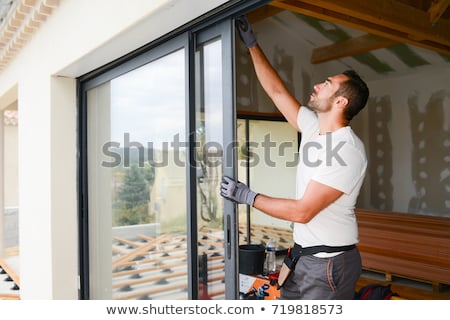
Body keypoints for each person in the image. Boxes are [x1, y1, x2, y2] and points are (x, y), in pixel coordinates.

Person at [221, 16, 370, 300]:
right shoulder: (314, 127)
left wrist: (247, 196)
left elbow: (303, 211)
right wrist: (252, 45)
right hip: (303, 257)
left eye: (326, 83)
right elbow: (277, 92)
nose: (317, 85)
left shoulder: (347, 150)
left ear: (341, 102)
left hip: (328, 265)